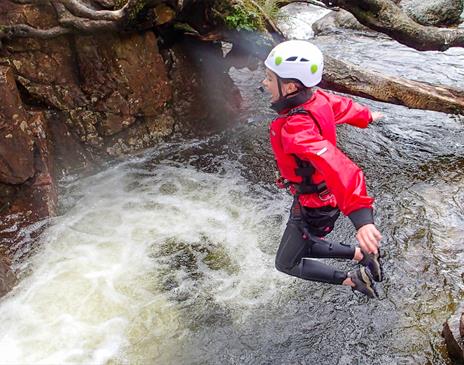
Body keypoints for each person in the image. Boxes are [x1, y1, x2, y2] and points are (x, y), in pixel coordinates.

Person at [262, 40, 383, 298]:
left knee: (286, 262)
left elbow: (338, 166)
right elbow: (342, 106)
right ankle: (362, 255)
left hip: (315, 205)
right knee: (301, 242)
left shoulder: (297, 128)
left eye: (269, 78)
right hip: (320, 198)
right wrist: (365, 115)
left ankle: (353, 279)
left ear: (291, 86)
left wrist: (361, 219)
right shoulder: (317, 99)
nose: (264, 83)